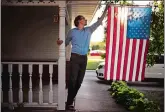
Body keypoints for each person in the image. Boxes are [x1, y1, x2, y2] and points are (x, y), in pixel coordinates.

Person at [57, 4, 110, 111]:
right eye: (83, 19)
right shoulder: (72, 32)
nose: (85, 20)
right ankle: (69, 103)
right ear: (79, 21)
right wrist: (60, 42)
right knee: (72, 81)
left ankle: (69, 101)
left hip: (84, 58)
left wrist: (106, 9)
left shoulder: (89, 30)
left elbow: (99, 22)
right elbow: (65, 42)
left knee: (79, 81)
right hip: (75, 58)